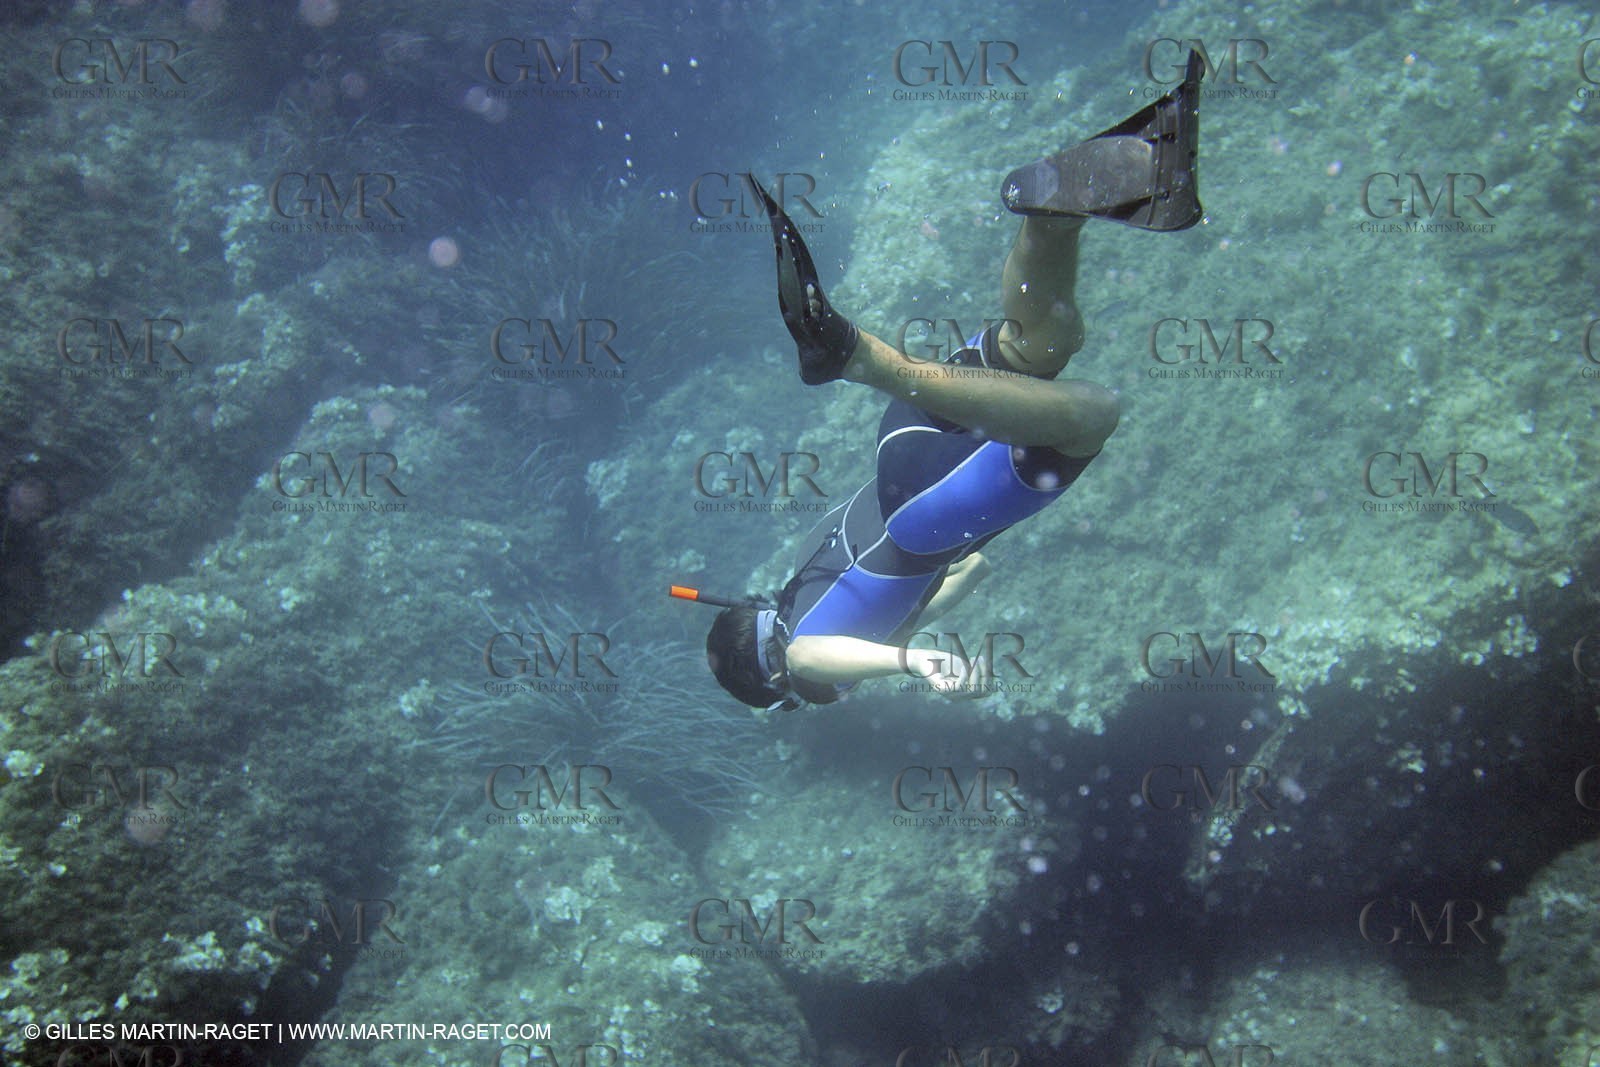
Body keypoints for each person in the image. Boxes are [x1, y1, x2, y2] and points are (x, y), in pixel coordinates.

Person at [676, 51, 1204, 711]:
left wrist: (916, 661)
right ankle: (1053, 210)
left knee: (1093, 415)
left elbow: (812, 656)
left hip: (926, 513)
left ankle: (859, 359)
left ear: (773, 678)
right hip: (907, 441)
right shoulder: (808, 580)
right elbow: (965, 573)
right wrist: (929, 618)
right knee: (1043, 341)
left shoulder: (808, 665)